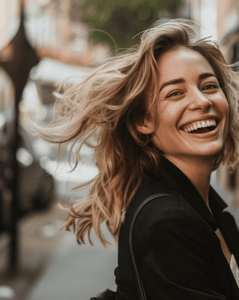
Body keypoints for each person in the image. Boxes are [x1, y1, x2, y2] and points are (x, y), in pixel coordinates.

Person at [35, 19, 239, 299]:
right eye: (175, 93)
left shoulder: (213, 213)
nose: (202, 101)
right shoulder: (169, 222)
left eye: (209, 86)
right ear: (144, 120)